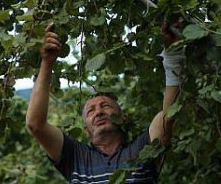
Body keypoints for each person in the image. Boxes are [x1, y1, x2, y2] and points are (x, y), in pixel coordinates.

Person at [26, 21, 184, 183]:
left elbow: (168, 115)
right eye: (90, 111)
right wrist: (47, 62)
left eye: (106, 106)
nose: (99, 112)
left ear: (124, 117)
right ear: (86, 130)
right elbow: (35, 124)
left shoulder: (142, 150)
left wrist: (172, 54)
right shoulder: (75, 157)